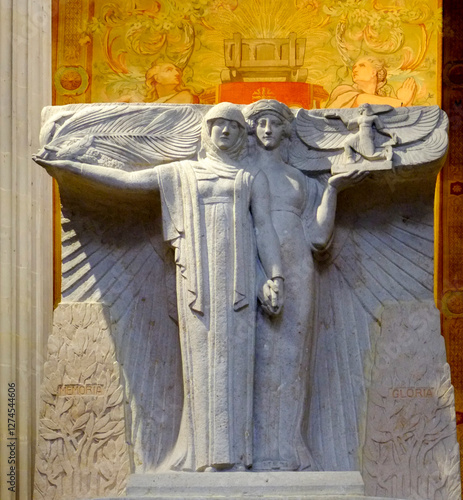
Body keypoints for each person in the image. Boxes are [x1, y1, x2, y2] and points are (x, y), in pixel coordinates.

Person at [33, 102, 283, 472]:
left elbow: (264, 228)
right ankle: (203, 456)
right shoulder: (183, 173)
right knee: (200, 362)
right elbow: (128, 182)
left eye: (232, 126)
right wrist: (71, 168)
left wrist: (274, 277)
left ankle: (239, 455)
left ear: (241, 135)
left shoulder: (249, 180)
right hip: (197, 282)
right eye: (218, 125)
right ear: (207, 131)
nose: (225, 132)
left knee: (236, 363)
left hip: (240, 284)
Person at [243, 99, 366, 471]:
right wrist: (260, 276)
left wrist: (333, 189)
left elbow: (318, 237)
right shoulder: (242, 174)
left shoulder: (300, 179)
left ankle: (290, 448)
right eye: (260, 123)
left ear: (285, 131)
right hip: (257, 263)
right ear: (253, 129)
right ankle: (257, 451)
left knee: (293, 357)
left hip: (299, 265)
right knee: (260, 356)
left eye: (274, 124)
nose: (267, 130)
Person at [326, 56, 417, 109]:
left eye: (362, 66)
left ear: (374, 72)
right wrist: (403, 101)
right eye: (354, 67)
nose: (355, 70)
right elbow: (362, 100)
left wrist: (408, 104)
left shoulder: (383, 100)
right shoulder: (344, 90)